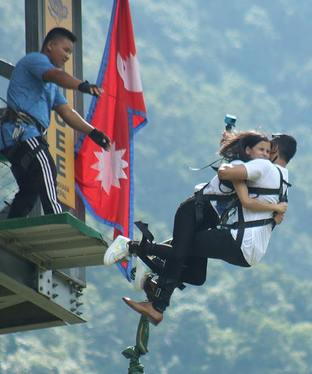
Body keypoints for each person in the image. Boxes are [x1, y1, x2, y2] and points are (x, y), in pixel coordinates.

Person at [108, 133, 297, 325]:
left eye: (267, 149)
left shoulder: (264, 166)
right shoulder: (284, 182)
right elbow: (276, 214)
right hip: (251, 255)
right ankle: (156, 290)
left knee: (184, 258)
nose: (264, 154)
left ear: (274, 150)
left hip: (238, 241)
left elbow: (227, 173)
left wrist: (236, 162)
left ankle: (146, 261)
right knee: (188, 262)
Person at [0, 27, 111, 219]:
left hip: (20, 137)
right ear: (50, 45)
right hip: (22, 132)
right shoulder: (35, 61)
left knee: (30, 189)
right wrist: (83, 86)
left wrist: (93, 133)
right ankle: (57, 219)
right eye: (65, 50)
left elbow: (67, 113)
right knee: (46, 165)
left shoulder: (52, 86)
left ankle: (13, 223)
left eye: (70, 53)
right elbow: (56, 75)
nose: (67, 56)